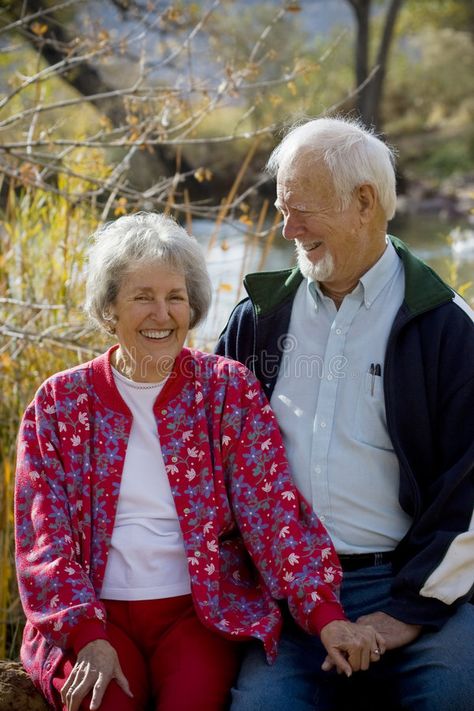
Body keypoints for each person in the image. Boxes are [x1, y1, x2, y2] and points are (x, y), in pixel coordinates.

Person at [15, 212, 383, 711]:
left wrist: (324, 613)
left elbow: (271, 512)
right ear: (109, 310)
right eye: (142, 297)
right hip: (92, 618)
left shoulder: (226, 390)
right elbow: (43, 538)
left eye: (175, 298)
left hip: (198, 614)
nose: (162, 314)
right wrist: (84, 634)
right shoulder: (59, 402)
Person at [216, 116, 474, 711]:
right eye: (282, 209)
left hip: (413, 588)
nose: (287, 229)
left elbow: (469, 491)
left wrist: (405, 613)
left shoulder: (445, 327)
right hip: (287, 592)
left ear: (364, 203)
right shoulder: (257, 319)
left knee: (458, 693)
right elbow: (211, 455)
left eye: (301, 209)